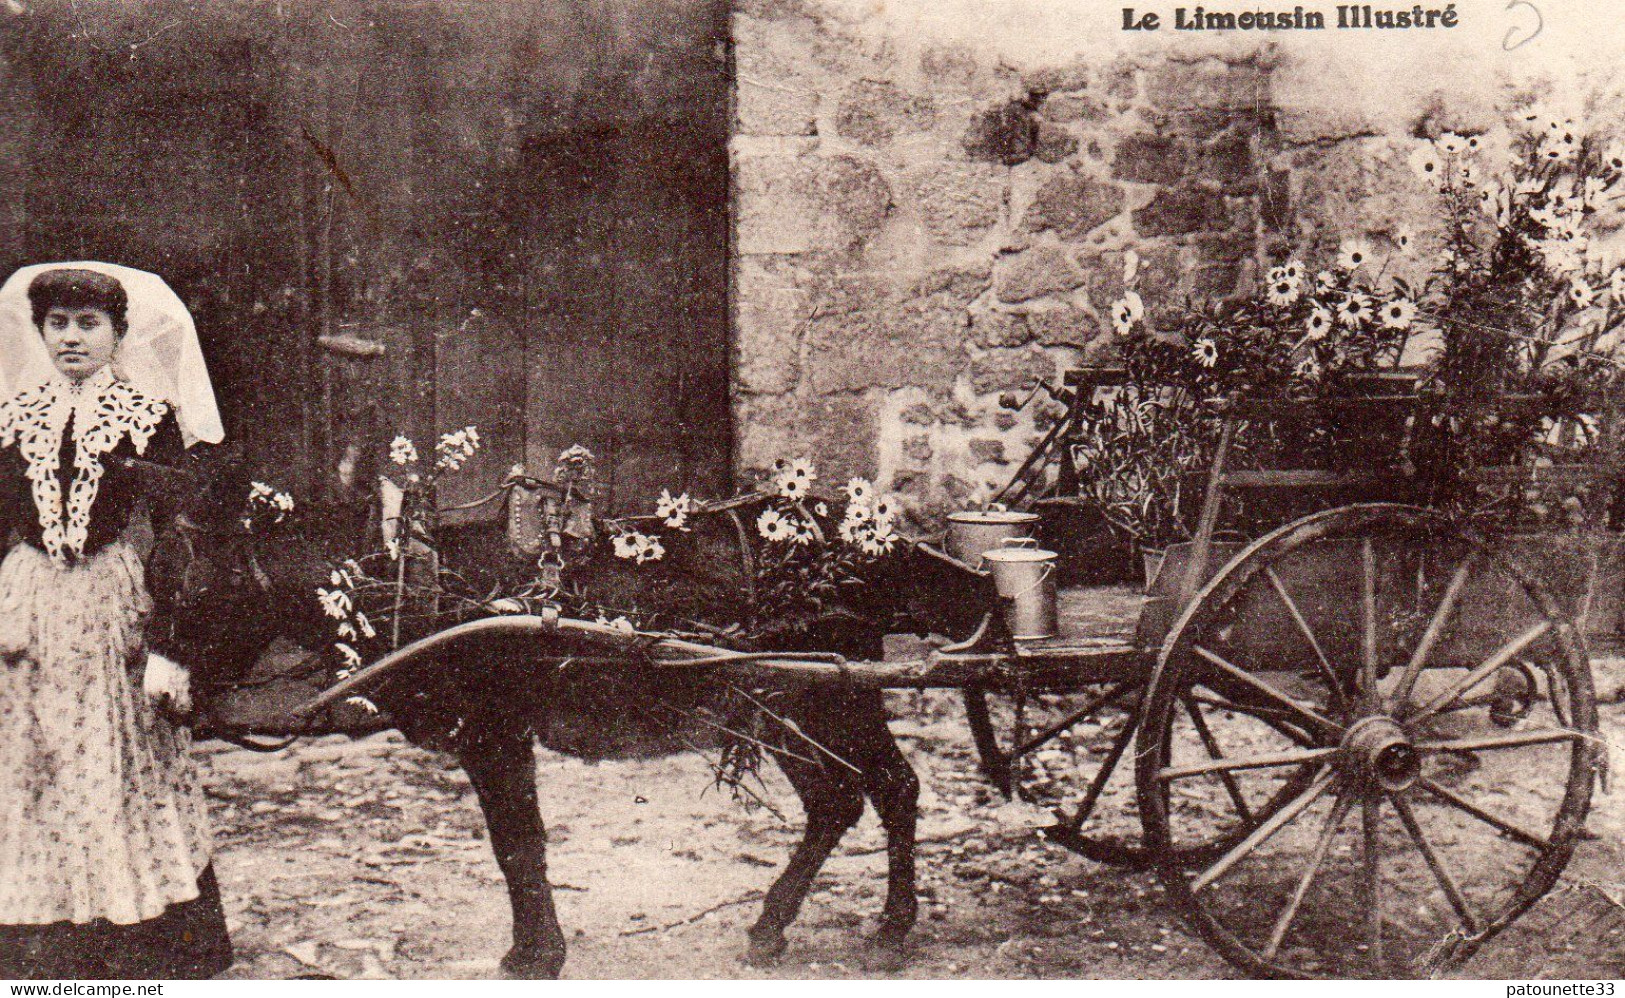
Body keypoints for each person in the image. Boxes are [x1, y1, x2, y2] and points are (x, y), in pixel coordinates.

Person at [0, 264, 230, 979]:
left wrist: (169, 637)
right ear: (39, 333)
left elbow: (184, 525)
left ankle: (139, 936)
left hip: (108, 602)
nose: (71, 338)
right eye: (57, 324)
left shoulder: (145, 413)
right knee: (33, 760)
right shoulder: (15, 412)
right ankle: (42, 938)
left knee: (120, 753)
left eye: (87, 324)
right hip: (30, 602)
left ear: (118, 335)